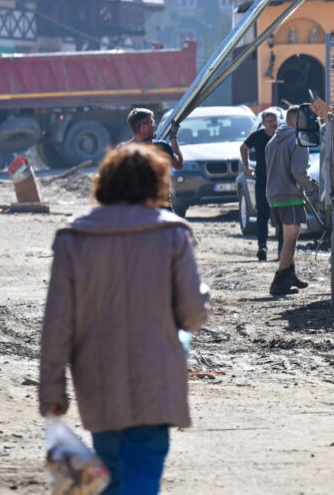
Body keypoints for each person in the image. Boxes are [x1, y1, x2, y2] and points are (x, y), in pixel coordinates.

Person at [39, 144, 210, 494]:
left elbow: (57, 324)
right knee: (143, 473)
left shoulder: (74, 238)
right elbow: (192, 315)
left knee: (110, 474)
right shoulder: (173, 234)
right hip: (156, 377)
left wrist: (52, 390)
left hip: (98, 380)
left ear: (105, 184)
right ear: (156, 185)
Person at [265, 105, 318, 296]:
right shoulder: (297, 141)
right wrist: (312, 185)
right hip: (289, 196)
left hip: (273, 195)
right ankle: (279, 282)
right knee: (290, 240)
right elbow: (298, 172)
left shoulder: (272, 141)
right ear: (297, 120)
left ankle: (290, 276)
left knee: (286, 237)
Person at [240, 110, 281, 261]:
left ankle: (282, 249)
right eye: (269, 121)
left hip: (280, 181)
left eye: (274, 120)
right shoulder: (257, 137)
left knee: (280, 215)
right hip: (262, 180)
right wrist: (247, 167)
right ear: (263, 123)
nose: (272, 124)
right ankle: (262, 247)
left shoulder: (281, 136)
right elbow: (243, 148)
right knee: (262, 214)